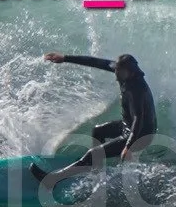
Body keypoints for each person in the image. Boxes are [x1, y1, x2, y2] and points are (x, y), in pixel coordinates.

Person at [33, 52, 157, 184]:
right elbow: (96, 62)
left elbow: (138, 119)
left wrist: (129, 146)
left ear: (130, 73)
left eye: (119, 72)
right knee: (98, 131)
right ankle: (96, 171)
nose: (115, 74)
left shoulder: (136, 90)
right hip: (128, 125)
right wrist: (65, 58)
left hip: (141, 134)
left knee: (93, 153)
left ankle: (50, 181)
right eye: (116, 70)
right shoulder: (123, 71)